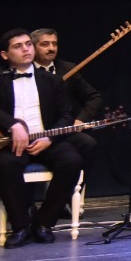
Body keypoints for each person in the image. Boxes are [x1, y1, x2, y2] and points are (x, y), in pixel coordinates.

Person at [0, 30, 86, 248]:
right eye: (18, 46)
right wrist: (13, 125)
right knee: (5, 164)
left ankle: (44, 222)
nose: (26, 49)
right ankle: (20, 226)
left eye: (28, 44)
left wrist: (49, 138)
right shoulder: (0, 80)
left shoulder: (52, 80)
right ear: (5, 55)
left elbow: (66, 115)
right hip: (13, 143)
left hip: (46, 140)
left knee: (72, 160)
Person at [30, 27, 103, 170]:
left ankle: (76, 184)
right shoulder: (25, 70)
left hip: (61, 130)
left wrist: (80, 120)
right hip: (34, 131)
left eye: (54, 44)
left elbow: (94, 97)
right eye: (45, 44)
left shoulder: (68, 68)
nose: (51, 48)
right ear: (32, 47)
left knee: (88, 144)